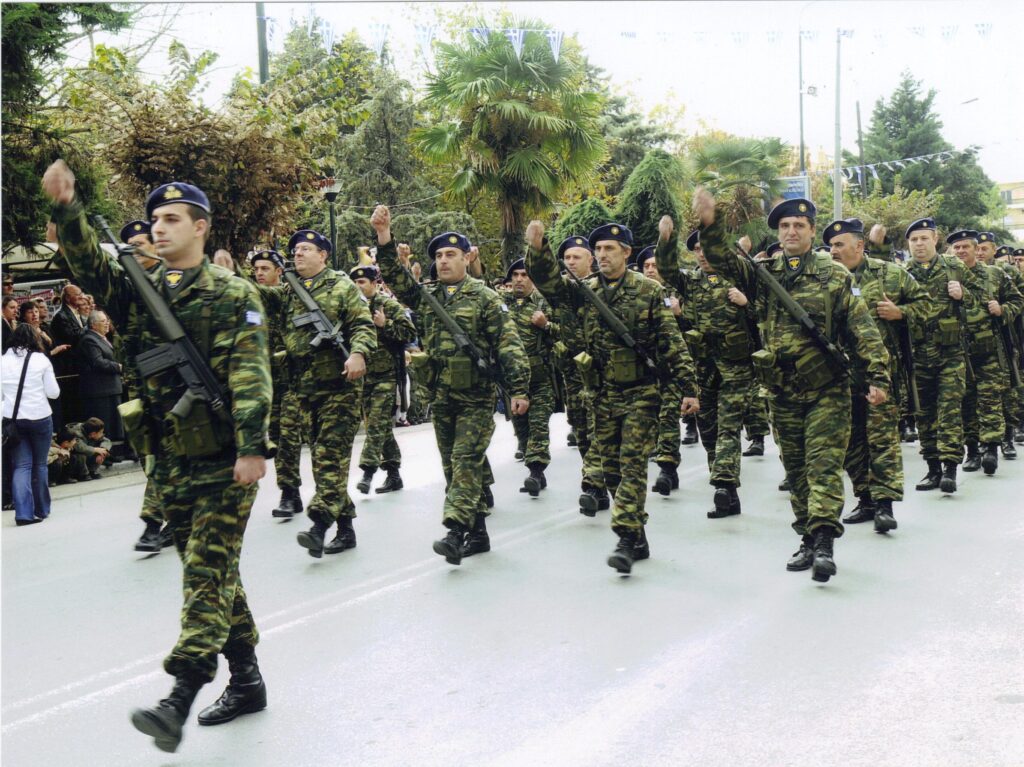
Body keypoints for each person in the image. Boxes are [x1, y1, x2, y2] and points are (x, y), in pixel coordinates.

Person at [44, 160, 273, 752]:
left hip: (225, 458)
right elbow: (89, 262)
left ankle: (180, 696)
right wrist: (68, 209)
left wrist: (252, 446)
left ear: (201, 227)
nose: (161, 227)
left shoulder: (233, 294)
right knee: (214, 571)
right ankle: (247, 680)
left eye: (173, 219)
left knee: (204, 572)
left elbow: (250, 375)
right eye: (155, 219)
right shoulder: (137, 287)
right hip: (170, 460)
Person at [695, 191, 889, 583]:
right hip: (781, 390)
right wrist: (710, 225)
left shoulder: (835, 275)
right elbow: (721, 259)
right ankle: (806, 533)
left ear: (812, 231)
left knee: (823, 467)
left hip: (826, 389)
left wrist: (878, 376)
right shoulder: (764, 273)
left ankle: (823, 542)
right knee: (797, 470)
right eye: (784, 225)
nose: (791, 231)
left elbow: (864, 330)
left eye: (799, 225)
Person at [527, 219, 698, 574]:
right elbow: (548, 284)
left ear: (626, 253)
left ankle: (624, 537)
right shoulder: (582, 289)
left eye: (609, 249)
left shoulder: (648, 291)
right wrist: (538, 248)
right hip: (601, 392)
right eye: (598, 249)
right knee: (611, 471)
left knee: (633, 463)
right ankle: (638, 535)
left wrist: (688, 389)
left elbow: (672, 342)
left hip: (641, 392)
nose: (602, 255)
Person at [373, 207, 531, 565]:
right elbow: (398, 280)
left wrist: (519, 389)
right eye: (439, 256)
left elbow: (509, 345)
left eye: (450, 255)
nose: (443, 261)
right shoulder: (426, 297)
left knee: (464, 461)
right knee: (451, 466)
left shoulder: (485, 298)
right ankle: (478, 535)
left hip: (476, 397)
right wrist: (384, 235)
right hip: (441, 396)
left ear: (465, 258)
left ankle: (455, 530)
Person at [254, 230, 376, 558]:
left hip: (341, 388)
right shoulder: (288, 292)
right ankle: (346, 528)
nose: (298, 254)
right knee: (324, 464)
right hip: (305, 391)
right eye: (295, 250)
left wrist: (359, 353)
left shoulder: (341, 287)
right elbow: (256, 295)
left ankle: (318, 526)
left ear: (323, 255)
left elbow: (363, 325)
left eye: (306, 249)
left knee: (330, 457)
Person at [828, 220, 934, 532]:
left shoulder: (889, 273)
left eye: (840, 245)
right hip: (839, 375)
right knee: (851, 441)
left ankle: (885, 505)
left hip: (881, 373)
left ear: (859, 246)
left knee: (882, 439)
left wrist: (902, 313)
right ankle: (865, 498)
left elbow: (927, 306)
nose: (833, 251)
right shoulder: (825, 278)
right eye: (831, 246)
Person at [654, 226, 762, 517]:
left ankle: (724, 486)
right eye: (697, 249)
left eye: (706, 247)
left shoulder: (739, 277)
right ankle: (727, 490)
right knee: (709, 428)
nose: (701, 253)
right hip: (703, 367)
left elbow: (766, 314)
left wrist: (746, 303)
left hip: (737, 366)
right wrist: (664, 240)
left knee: (728, 425)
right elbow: (666, 269)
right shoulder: (690, 282)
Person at [947, 230, 1022, 476]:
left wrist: (1002, 309)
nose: (961, 251)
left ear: (975, 249)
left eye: (965, 247)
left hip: (989, 349)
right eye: (956, 248)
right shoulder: (947, 276)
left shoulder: (995, 274)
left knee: (990, 399)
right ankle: (972, 450)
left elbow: (1017, 301)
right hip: (958, 350)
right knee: (966, 401)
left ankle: (991, 447)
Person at [350, 264, 417, 495]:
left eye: (362, 282)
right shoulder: (351, 308)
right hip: (363, 377)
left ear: (374, 284)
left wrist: (385, 324)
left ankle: (367, 471)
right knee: (377, 427)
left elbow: (409, 333)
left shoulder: (387, 305)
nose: (358, 287)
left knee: (377, 422)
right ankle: (394, 473)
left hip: (386, 375)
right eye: (355, 283)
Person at [506, 258, 557, 496]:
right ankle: (536, 469)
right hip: (514, 380)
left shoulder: (544, 304)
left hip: (540, 378)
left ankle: (535, 472)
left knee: (538, 424)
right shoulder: (502, 305)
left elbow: (565, 333)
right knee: (522, 427)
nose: (518, 279)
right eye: (515, 275)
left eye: (524, 274)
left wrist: (546, 325)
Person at [2, 323, 60, 525]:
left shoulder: (2, 362)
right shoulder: (41, 360)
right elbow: (54, 392)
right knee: (40, 464)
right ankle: (42, 509)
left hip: (13, 420)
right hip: (40, 416)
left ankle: (23, 514)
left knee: (21, 466)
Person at [75, 310, 125, 445]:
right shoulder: (89, 340)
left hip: (111, 388)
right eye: (103, 321)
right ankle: (105, 454)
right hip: (100, 390)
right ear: (93, 325)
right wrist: (119, 367)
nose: (107, 324)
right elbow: (98, 362)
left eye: (107, 321)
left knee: (115, 425)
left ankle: (115, 451)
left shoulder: (103, 338)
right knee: (105, 425)